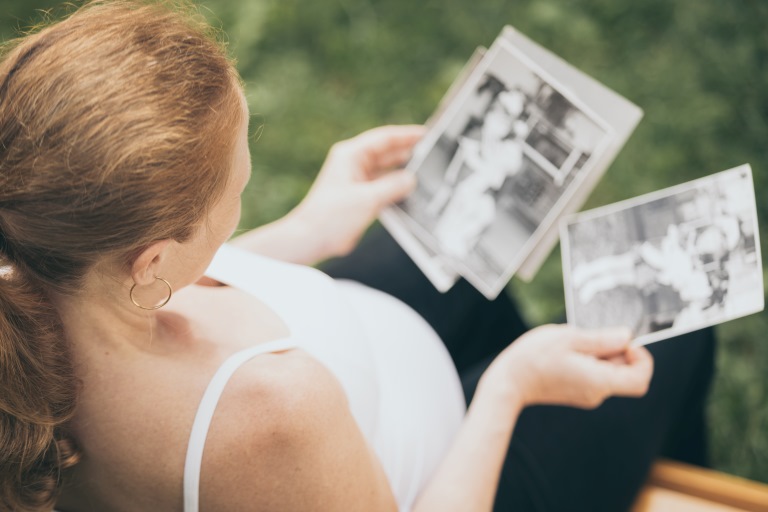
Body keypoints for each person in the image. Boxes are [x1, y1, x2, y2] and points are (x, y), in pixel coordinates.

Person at [0, 2, 715, 511]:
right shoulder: (276, 414)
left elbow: (151, 294)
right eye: (238, 187)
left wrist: (309, 229)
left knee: (468, 252)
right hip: (445, 471)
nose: (244, 193)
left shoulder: (36, 265)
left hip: (364, 349)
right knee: (678, 334)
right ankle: (675, 483)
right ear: (152, 260)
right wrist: (508, 388)